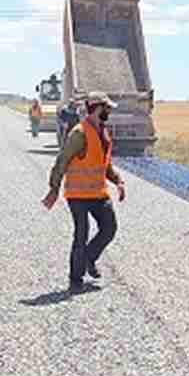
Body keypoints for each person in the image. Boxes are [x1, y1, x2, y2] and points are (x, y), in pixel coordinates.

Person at [43, 93, 126, 294]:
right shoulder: (79, 133)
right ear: (97, 108)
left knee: (109, 228)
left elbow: (104, 164)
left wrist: (118, 181)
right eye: (107, 108)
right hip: (78, 194)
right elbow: (62, 160)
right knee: (81, 234)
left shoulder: (103, 132)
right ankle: (75, 280)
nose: (110, 111)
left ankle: (89, 258)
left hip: (98, 193)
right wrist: (54, 189)